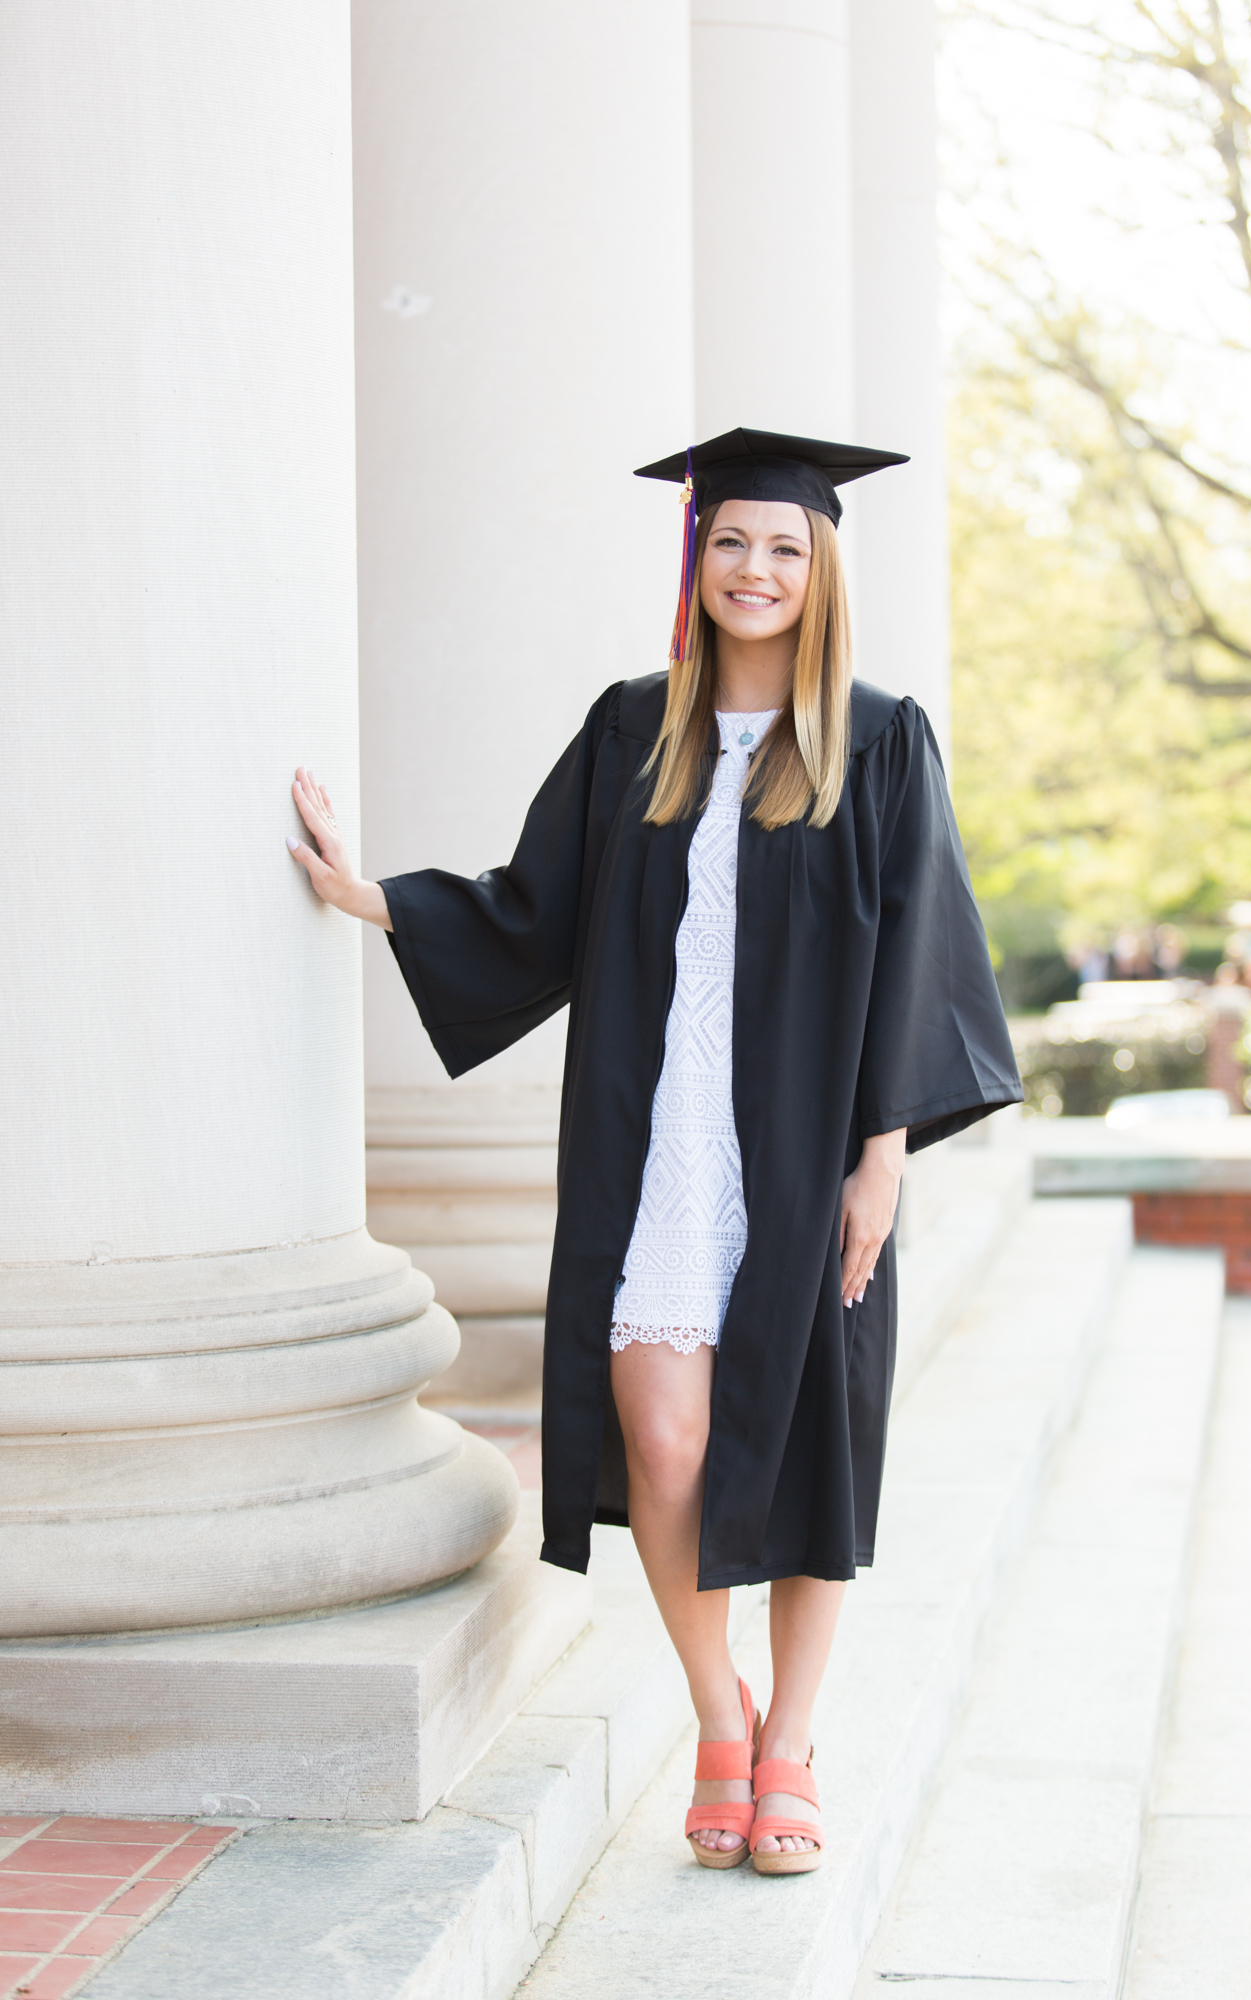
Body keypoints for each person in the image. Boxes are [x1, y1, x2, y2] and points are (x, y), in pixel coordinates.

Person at [287, 427, 1022, 1877]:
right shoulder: (635, 726)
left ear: (820, 571)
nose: (755, 569)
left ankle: (794, 1743)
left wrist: (884, 1159)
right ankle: (718, 1719)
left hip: (810, 1157)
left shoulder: (877, 737)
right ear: (696, 560)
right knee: (666, 1442)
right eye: (731, 541)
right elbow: (535, 907)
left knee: (811, 1450)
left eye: (784, 547)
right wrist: (371, 897)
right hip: (658, 1150)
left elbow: (921, 957)